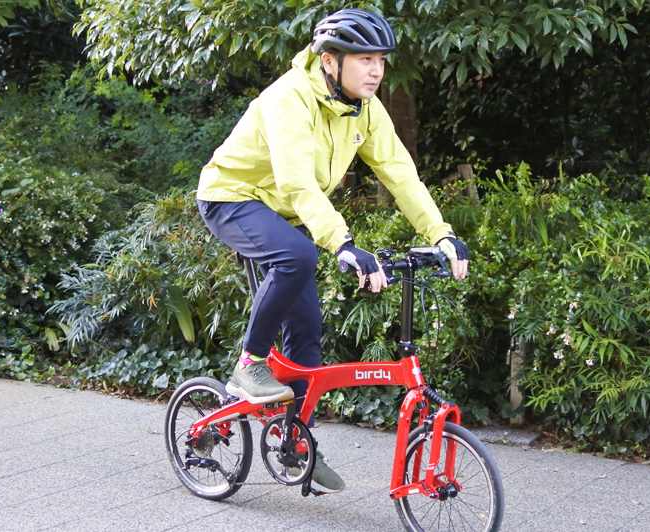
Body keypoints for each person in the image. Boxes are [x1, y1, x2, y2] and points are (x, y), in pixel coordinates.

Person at [196, 8, 470, 494]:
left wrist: (441, 235)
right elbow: (296, 182)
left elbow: (401, 176)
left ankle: (295, 443)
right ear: (329, 61)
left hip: (282, 213)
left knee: (307, 335)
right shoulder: (289, 98)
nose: (376, 71)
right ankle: (249, 363)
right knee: (299, 255)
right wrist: (343, 243)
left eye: (380, 60)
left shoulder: (366, 109)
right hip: (231, 197)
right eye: (364, 59)